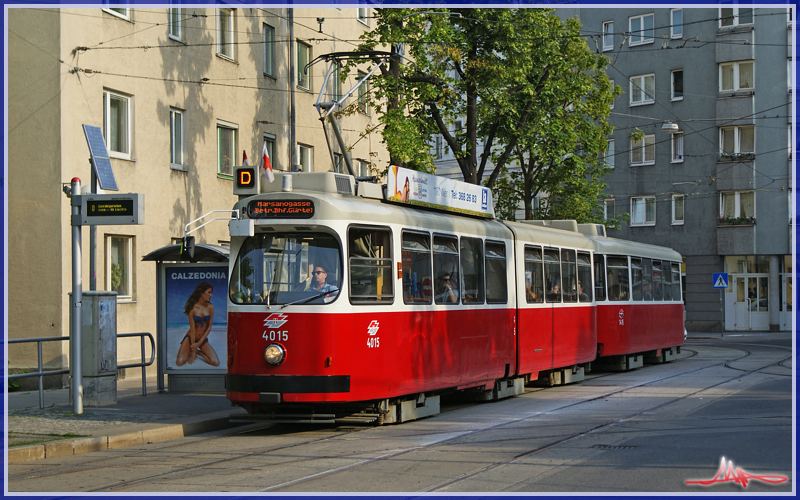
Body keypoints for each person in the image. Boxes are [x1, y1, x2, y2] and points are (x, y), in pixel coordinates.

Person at [176, 282, 220, 367]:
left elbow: (209, 328)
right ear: (201, 293)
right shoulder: (192, 308)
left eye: (211, 293)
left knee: (215, 363)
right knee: (179, 362)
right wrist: (193, 350)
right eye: (209, 292)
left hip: (202, 339)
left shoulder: (210, 307)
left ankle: (199, 353)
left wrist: (197, 346)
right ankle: (191, 350)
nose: (211, 295)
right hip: (190, 338)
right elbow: (192, 330)